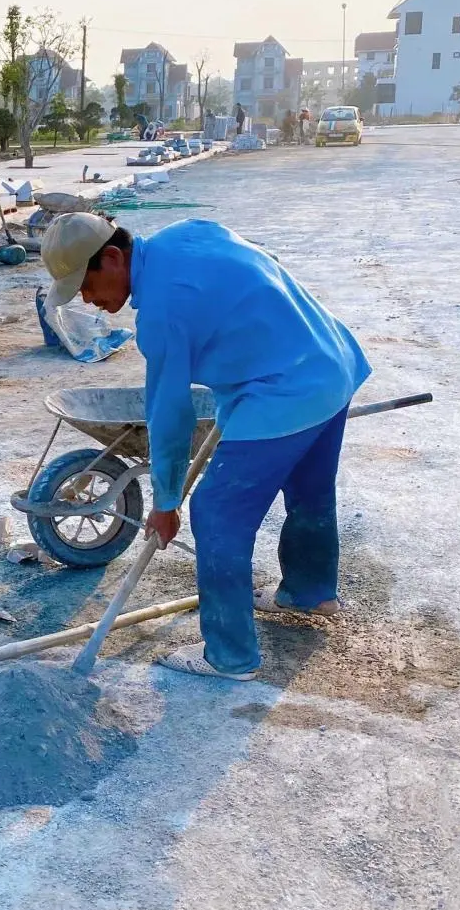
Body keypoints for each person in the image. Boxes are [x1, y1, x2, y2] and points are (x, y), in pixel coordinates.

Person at [39, 212, 370, 680]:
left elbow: (169, 414)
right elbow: (255, 279)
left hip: (283, 390)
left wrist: (167, 501)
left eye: (86, 287)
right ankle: (310, 591)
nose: (89, 301)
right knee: (310, 492)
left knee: (216, 512)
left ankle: (229, 656)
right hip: (331, 363)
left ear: (112, 258)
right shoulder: (188, 233)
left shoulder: (161, 312)